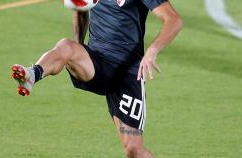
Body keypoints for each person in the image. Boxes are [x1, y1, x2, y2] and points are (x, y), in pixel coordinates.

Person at [11, 0, 182, 157]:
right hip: (96, 63)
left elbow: (173, 20)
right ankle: (32, 75)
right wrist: (78, 47)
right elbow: (81, 8)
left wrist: (152, 50)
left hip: (127, 74)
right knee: (66, 46)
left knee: (133, 149)